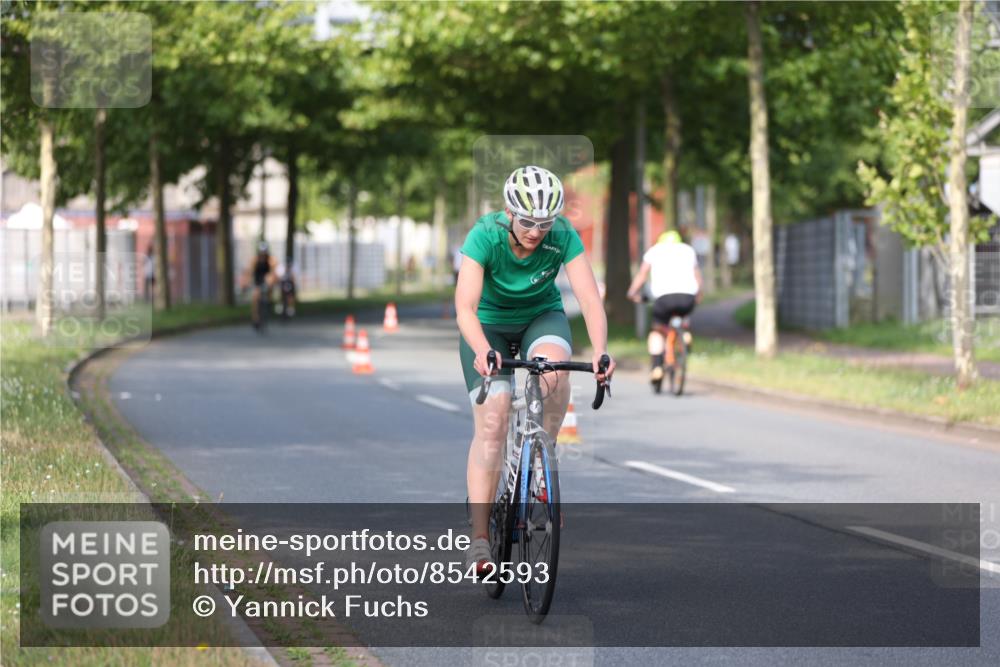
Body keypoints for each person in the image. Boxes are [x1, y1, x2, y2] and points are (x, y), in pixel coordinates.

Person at [455, 165, 615, 573]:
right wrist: (481, 350)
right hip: (487, 324)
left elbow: (589, 299)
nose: (536, 231)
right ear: (509, 212)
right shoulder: (485, 235)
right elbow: (465, 307)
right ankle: (479, 539)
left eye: (544, 223)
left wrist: (600, 351)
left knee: (554, 371)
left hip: (541, 317)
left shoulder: (562, 235)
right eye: (527, 222)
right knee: (494, 416)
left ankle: (542, 459)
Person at [626, 230, 702, 383]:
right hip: (687, 297)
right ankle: (684, 334)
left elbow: (642, 274)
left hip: (663, 298)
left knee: (657, 331)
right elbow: (698, 277)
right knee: (682, 315)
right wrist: (698, 296)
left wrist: (632, 292)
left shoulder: (654, 251)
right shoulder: (688, 250)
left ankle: (657, 368)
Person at [240, 241, 276, 329]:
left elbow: (273, 271)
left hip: (266, 280)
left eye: (264, 252)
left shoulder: (270, 260)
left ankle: (269, 302)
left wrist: (272, 280)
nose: (263, 254)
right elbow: (249, 272)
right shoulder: (255, 260)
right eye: (261, 253)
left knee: (269, 281)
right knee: (255, 298)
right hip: (257, 280)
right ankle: (255, 318)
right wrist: (246, 283)